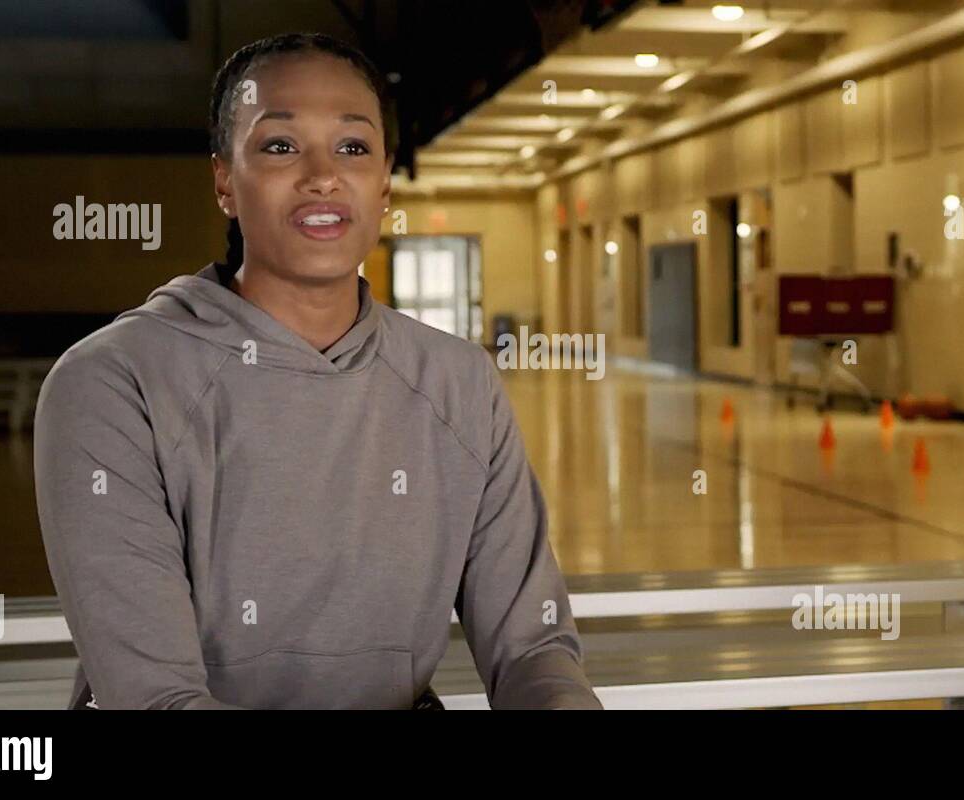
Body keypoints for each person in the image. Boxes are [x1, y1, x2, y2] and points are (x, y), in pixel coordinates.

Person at [33, 32, 601, 710]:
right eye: (280, 146)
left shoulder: (459, 382)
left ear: (386, 181)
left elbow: (532, 650)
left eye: (353, 147)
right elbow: (156, 698)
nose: (322, 175)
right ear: (224, 181)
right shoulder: (112, 384)